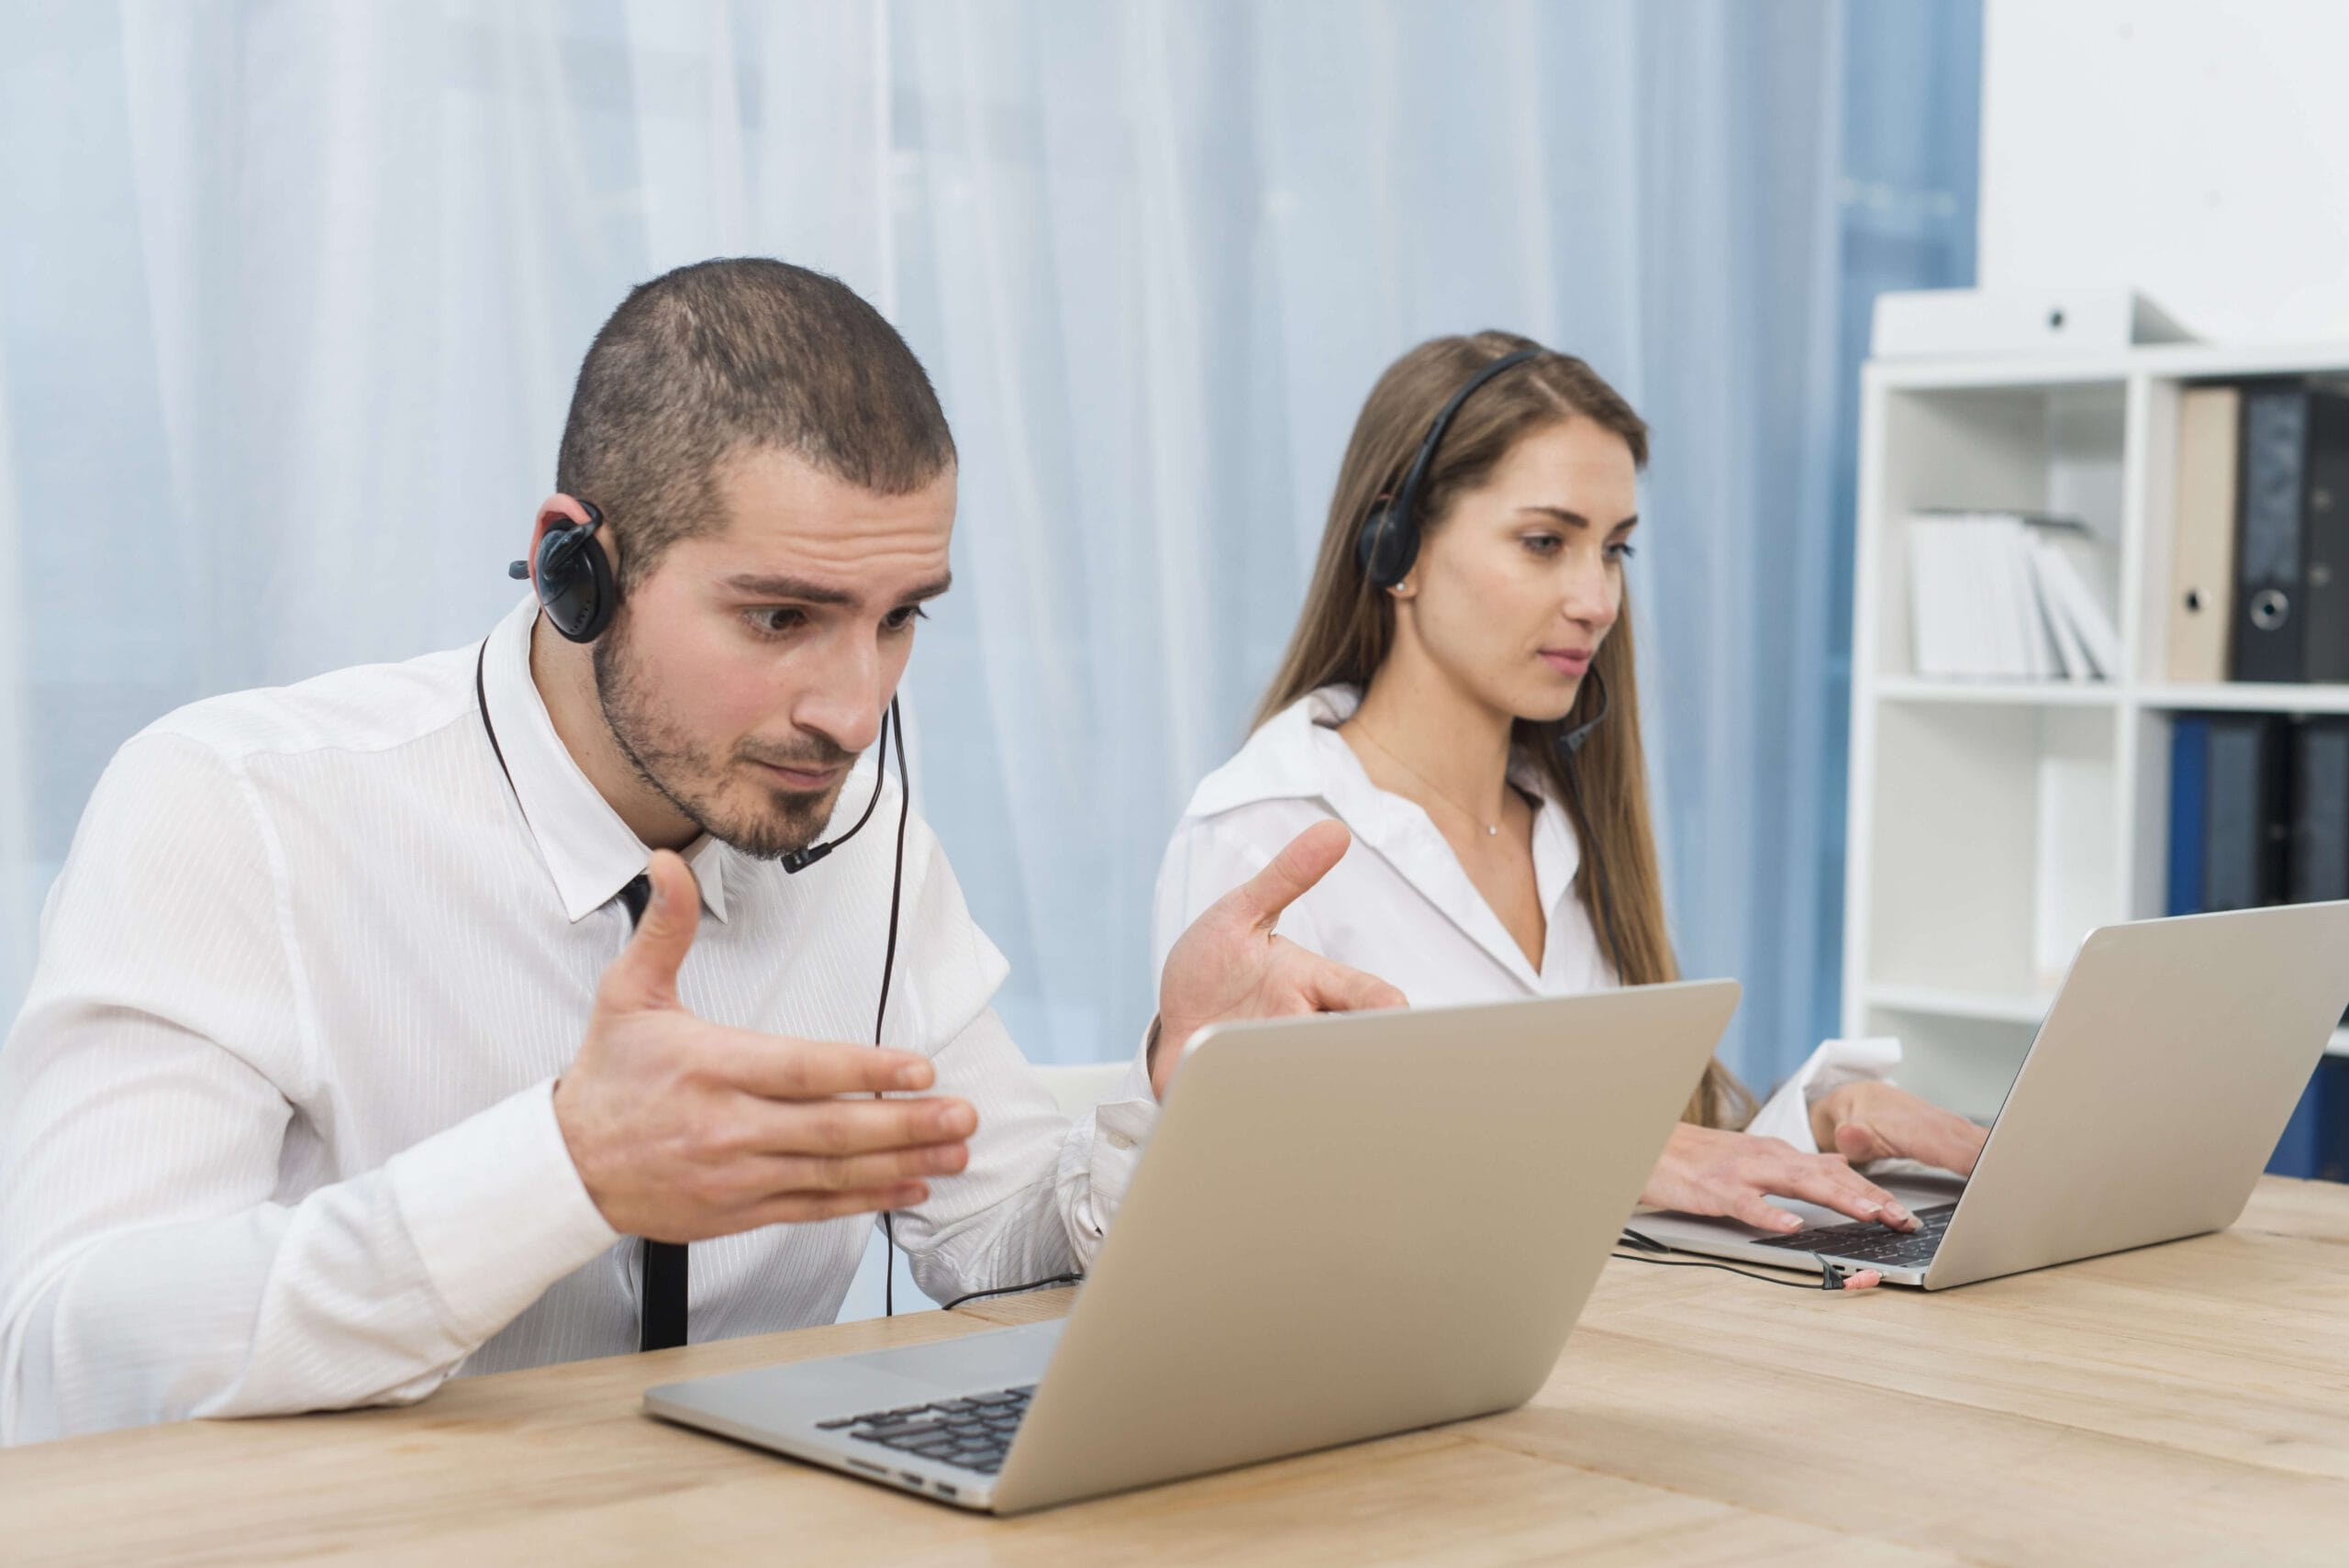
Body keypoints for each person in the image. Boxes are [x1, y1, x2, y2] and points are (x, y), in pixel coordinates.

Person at [0, 259, 1397, 1444]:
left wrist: (1193, 1086)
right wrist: (561, 1167)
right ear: (574, 570)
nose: (855, 712)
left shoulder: (852, 824)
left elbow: (993, 1242)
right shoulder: (236, 810)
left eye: (903, 616)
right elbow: (65, 1361)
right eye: (781, 618)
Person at [1148, 331, 1987, 1246]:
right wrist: (1602, 1156)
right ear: (1398, 549)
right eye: (1544, 542)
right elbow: (1259, 1225)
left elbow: (1654, 1169)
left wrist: (1822, 1125)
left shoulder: (1570, 817)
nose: (1596, 600)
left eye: (1615, 550)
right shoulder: (1264, 833)